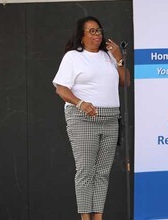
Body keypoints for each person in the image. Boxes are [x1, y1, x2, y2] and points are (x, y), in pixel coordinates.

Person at [53, 16, 128, 220]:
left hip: (111, 118)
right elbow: (61, 88)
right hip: (83, 118)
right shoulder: (73, 57)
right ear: (82, 36)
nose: (97, 35)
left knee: (102, 172)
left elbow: (125, 81)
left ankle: (98, 216)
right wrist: (80, 103)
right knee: (86, 171)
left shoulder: (108, 56)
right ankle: (85, 217)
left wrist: (119, 58)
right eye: (92, 31)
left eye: (99, 31)